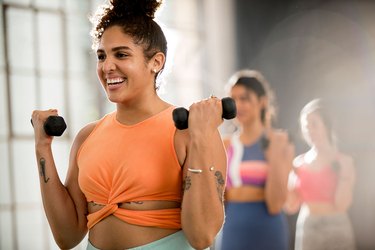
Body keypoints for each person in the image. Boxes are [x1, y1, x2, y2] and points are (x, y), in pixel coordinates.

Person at [31, 0, 227, 249]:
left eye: (121, 54)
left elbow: (202, 236)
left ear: (156, 62)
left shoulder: (189, 131)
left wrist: (201, 138)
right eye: (102, 56)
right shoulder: (88, 136)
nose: (107, 66)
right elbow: (67, 237)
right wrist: (42, 148)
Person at [219, 69, 294, 250]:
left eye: (244, 98)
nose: (237, 105)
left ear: (262, 102)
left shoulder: (280, 141)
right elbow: (219, 199)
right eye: (233, 99)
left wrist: (273, 150)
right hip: (233, 230)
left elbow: (276, 204)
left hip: (268, 229)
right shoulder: (225, 144)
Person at [284, 98, 356, 250]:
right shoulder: (298, 163)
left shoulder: (343, 161)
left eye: (314, 124)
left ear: (327, 125)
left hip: (337, 227)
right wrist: (286, 170)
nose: (309, 130)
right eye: (306, 125)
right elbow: (290, 206)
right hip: (308, 226)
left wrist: (344, 175)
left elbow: (341, 205)